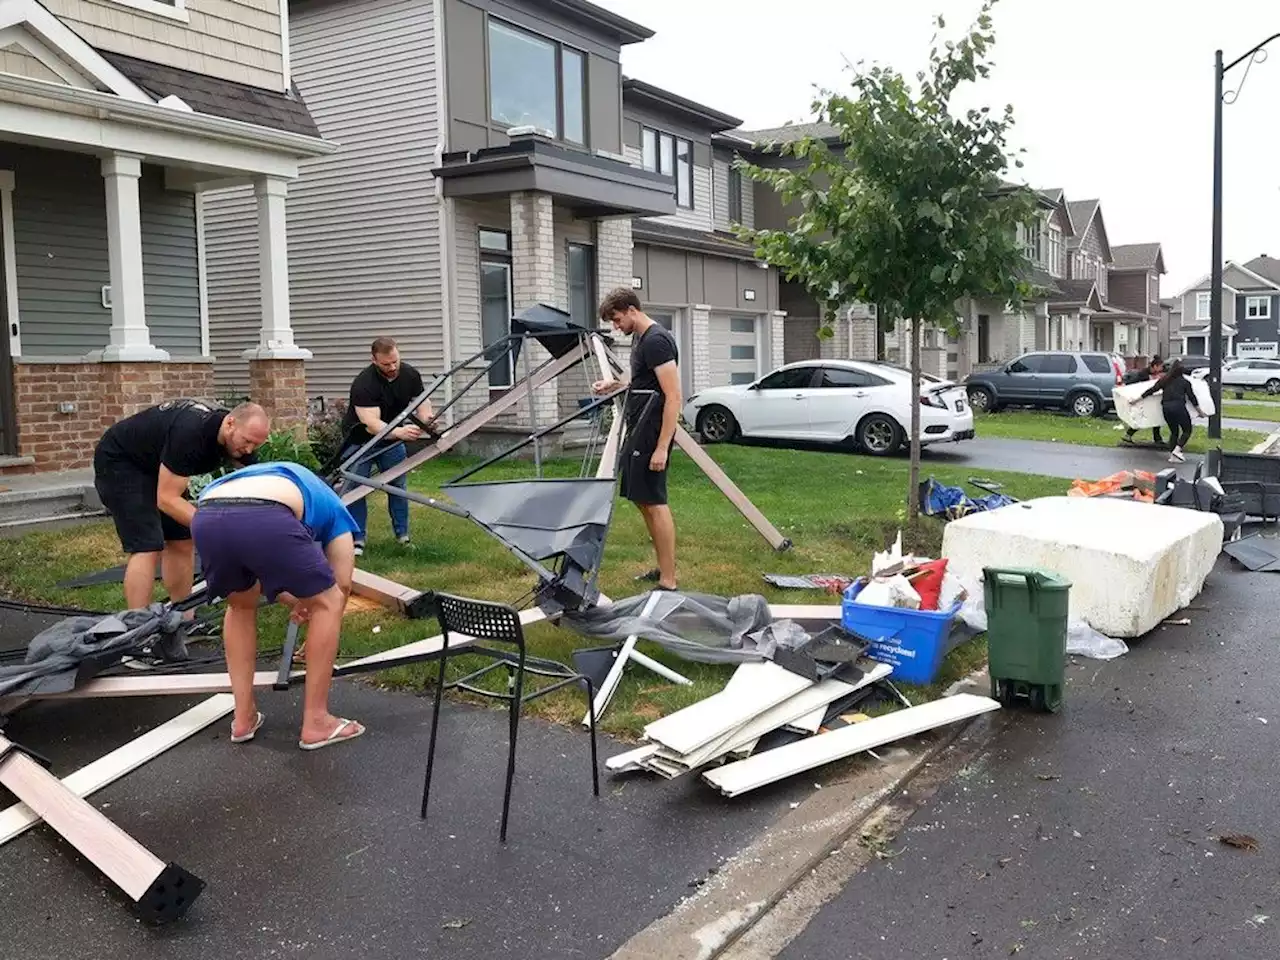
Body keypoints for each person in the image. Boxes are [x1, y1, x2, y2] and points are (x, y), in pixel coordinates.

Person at [193, 459, 365, 750]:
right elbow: (343, 584)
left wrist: (297, 600)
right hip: (264, 513)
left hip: (207, 512)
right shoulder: (337, 511)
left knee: (240, 606)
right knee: (330, 601)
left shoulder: (277, 478)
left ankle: (243, 718)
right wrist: (317, 610)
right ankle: (317, 722)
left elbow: (258, 560)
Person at [93, 400, 269, 612]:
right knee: (147, 544)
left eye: (256, 445)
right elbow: (166, 499)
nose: (249, 449)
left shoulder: (239, 439)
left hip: (161, 464)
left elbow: (258, 484)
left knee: (182, 540)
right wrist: (216, 527)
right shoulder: (191, 433)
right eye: (247, 441)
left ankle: (182, 617)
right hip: (122, 462)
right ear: (230, 423)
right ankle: (137, 625)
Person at [592, 287, 682, 591]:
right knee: (643, 500)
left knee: (655, 502)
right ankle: (662, 568)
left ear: (631, 309)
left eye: (617, 320)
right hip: (639, 426)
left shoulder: (656, 341)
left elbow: (673, 397)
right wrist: (614, 385)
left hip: (653, 430)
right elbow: (644, 383)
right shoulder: (640, 339)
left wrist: (661, 448)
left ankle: (669, 581)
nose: (616, 327)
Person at [339, 337, 435, 555]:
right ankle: (357, 541)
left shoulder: (410, 374)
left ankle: (403, 536)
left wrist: (427, 420)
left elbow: (422, 401)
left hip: (391, 440)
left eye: (395, 362)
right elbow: (371, 423)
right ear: (374, 360)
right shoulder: (364, 383)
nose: (392, 368)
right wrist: (399, 432)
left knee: (397, 486)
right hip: (360, 441)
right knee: (356, 489)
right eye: (386, 364)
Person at [1141, 359, 1204, 463]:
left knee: (1174, 432)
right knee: (1187, 430)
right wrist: (1200, 412)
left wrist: (1136, 399)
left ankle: (1173, 456)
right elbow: (1192, 398)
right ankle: (1177, 450)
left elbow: (1152, 390)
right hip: (1178, 407)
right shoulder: (1185, 382)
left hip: (1166, 408)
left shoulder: (1165, 380)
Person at [1122, 355, 1165, 446]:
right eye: (1160, 366)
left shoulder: (1153, 374)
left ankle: (1157, 438)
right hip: (1142, 399)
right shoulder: (1143, 374)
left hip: (1150, 399)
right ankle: (1128, 434)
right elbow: (1141, 386)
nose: (1162, 369)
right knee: (1142, 418)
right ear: (1155, 366)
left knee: (1155, 418)